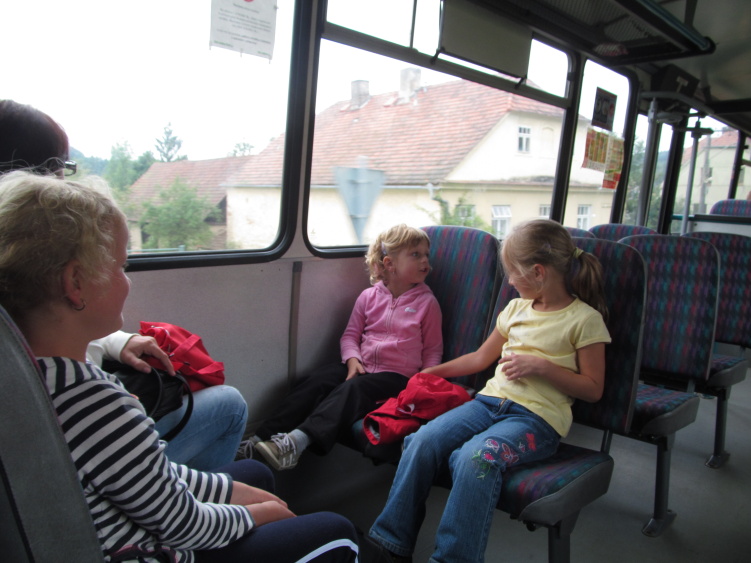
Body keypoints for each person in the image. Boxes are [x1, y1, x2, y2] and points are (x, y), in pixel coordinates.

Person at [0, 170, 360, 562]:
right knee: (338, 533)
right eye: (121, 267)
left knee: (256, 476)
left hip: (111, 528)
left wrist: (234, 495)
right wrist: (259, 515)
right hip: (152, 550)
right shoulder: (94, 404)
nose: (127, 281)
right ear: (75, 283)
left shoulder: (31, 377)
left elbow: (152, 477)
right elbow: (183, 523)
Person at [0, 99, 247, 470]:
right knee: (230, 407)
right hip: (85, 463)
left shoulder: (17, 274)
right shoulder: (94, 399)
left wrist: (116, 343)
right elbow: (168, 501)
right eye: (119, 267)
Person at [368, 219, 611, 563]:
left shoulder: (584, 320)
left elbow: (593, 389)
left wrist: (542, 367)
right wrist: (429, 372)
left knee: (476, 459)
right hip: (487, 403)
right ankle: (390, 543)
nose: (509, 282)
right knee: (422, 441)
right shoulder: (515, 309)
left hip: (536, 420)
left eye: (512, 273)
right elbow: (480, 358)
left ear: (538, 273)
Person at [244, 224, 443, 470]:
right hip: (362, 366)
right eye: (416, 254)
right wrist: (352, 360)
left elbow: (432, 350)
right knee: (317, 381)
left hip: (398, 377)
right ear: (389, 263)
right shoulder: (368, 297)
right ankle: (257, 441)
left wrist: (421, 384)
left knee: (354, 388)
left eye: (426, 255)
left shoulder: (427, 303)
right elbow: (350, 336)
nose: (425, 261)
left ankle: (296, 442)